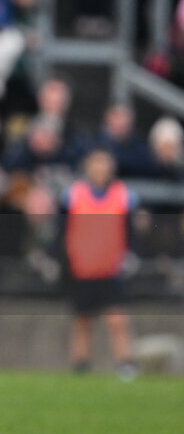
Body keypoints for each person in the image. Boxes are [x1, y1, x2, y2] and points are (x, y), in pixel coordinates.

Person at [63, 149, 137, 380]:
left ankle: (125, 364)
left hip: (110, 267)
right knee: (83, 320)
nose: (99, 169)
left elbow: (130, 231)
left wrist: (131, 255)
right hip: (82, 267)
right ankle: (81, 365)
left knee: (116, 319)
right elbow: (63, 231)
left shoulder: (122, 195)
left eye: (103, 163)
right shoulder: (74, 195)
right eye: (95, 163)